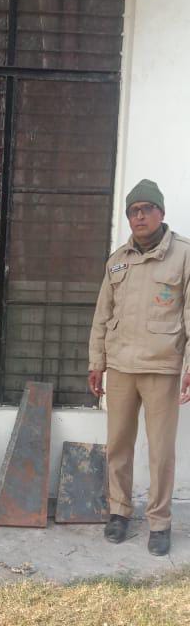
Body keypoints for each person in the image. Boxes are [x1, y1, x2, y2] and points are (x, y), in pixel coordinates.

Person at [88, 179, 190, 556]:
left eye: (147, 208)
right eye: (133, 211)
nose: (140, 216)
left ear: (161, 212)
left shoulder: (183, 255)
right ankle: (119, 511)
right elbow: (102, 315)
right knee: (118, 444)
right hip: (120, 367)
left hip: (162, 367)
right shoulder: (117, 260)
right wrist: (96, 362)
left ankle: (159, 522)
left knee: (161, 451)